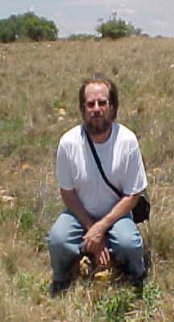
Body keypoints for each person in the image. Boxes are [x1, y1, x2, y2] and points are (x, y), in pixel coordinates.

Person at [47, 76, 148, 296]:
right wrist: (91, 228)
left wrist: (100, 228)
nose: (96, 109)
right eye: (90, 104)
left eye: (102, 103)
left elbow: (133, 194)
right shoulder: (68, 143)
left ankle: (135, 280)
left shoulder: (127, 141)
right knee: (57, 240)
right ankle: (62, 280)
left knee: (129, 244)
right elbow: (67, 193)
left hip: (117, 214)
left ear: (113, 107)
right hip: (79, 213)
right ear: (82, 109)